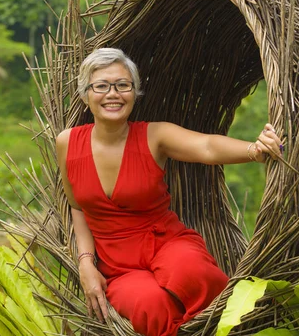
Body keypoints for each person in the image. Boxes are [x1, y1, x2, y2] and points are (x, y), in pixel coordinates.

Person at [56, 48, 283, 336]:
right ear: (85, 95)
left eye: (123, 85)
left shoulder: (154, 135)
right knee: (150, 306)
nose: (112, 94)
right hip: (118, 266)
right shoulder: (67, 143)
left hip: (164, 241)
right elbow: (77, 206)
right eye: (101, 86)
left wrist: (256, 150)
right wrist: (86, 262)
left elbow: (207, 147)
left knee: (197, 275)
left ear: (134, 93)